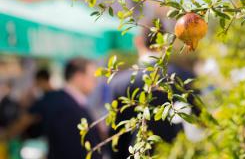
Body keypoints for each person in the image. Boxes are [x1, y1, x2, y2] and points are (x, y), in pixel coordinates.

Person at [108, 26, 196, 158]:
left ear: (137, 41)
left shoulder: (120, 83)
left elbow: (117, 138)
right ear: (165, 42)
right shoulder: (184, 76)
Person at [2, 58, 102, 159]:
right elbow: (24, 120)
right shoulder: (55, 99)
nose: (96, 82)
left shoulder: (76, 102)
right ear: (79, 76)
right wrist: (5, 137)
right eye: (93, 78)